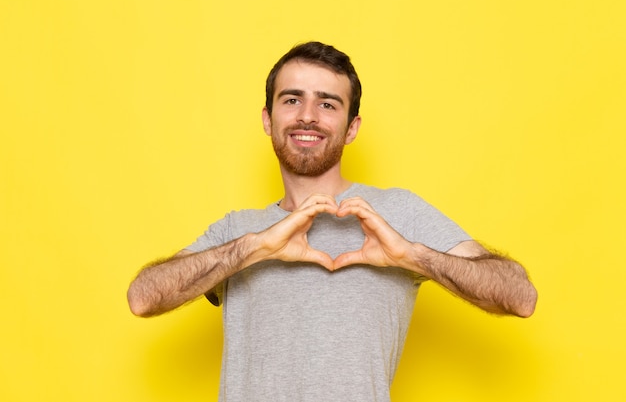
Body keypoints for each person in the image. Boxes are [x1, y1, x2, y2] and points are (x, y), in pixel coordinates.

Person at [127, 41, 537, 402]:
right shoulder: (239, 231)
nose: (308, 116)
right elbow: (143, 298)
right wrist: (256, 248)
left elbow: (519, 296)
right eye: (292, 100)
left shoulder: (394, 214)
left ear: (351, 127)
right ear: (268, 119)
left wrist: (412, 256)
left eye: (327, 103)